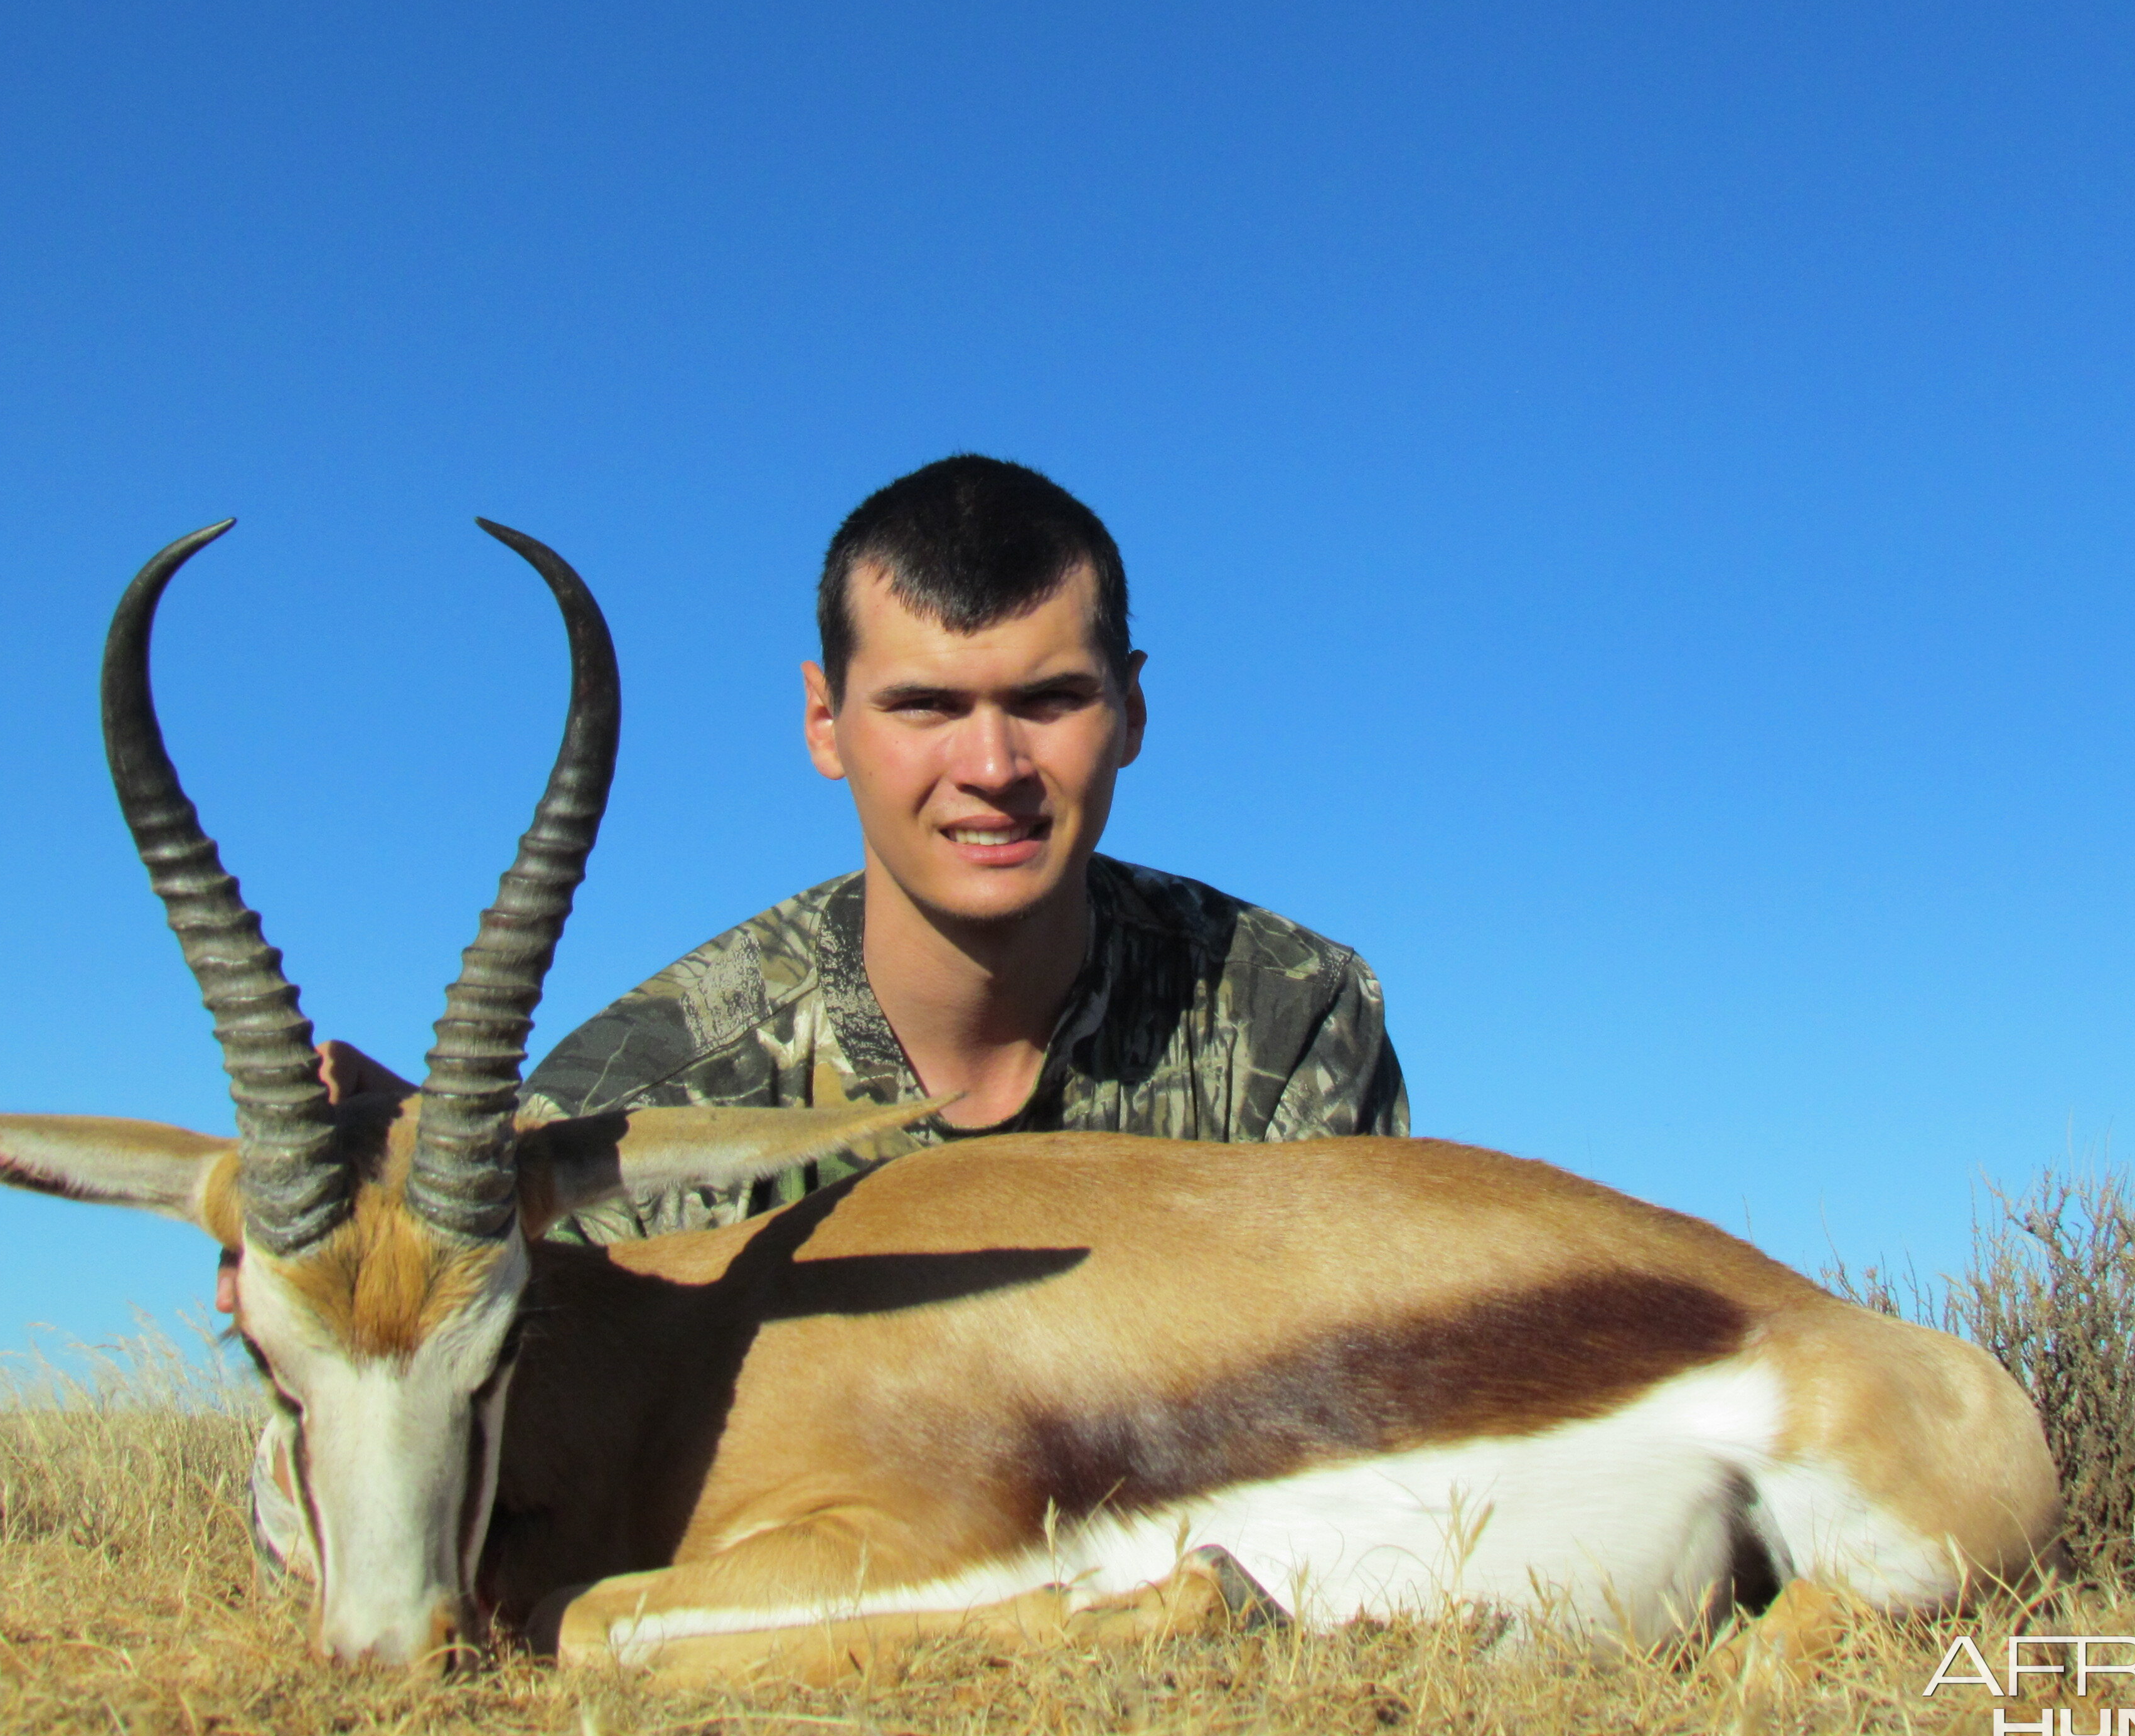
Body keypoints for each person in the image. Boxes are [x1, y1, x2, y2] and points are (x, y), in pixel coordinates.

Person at [217, 454, 1406, 1317]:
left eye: (1049, 702)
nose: (992, 770)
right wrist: (361, 1247)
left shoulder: (1294, 1015)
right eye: (926, 707)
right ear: (824, 722)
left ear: (1132, 710)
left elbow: (1377, 1386)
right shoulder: (639, 1104)